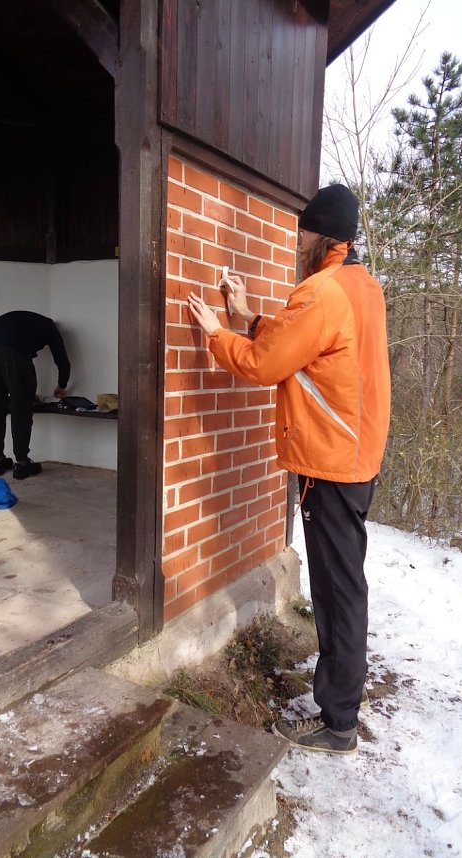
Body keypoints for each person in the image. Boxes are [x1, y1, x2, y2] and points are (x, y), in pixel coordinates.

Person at [188, 185, 391, 755]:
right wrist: (248, 312)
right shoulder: (361, 286)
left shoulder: (321, 292)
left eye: (302, 233)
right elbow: (303, 345)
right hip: (354, 456)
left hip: (330, 461)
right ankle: (347, 689)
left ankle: (338, 719)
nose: (296, 242)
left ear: (322, 236)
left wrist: (217, 334)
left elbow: (265, 363)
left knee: (335, 588)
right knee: (343, 582)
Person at [0, 310, 70, 480]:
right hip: (12, 349)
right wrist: (62, 385)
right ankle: (21, 463)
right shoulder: (49, 326)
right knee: (21, 408)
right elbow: (61, 358)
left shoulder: (25, 322)